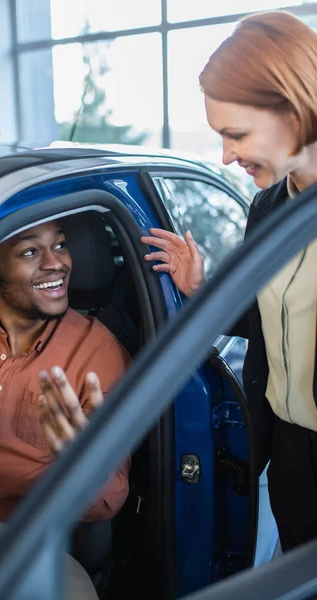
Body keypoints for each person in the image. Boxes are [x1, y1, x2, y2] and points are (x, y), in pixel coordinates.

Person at [142, 11, 317, 554]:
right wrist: (202, 287)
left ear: (295, 110)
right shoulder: (267, 207)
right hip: (291, 452)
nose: (225, 156)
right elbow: (270, 321)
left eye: (235, 135)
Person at [0, 218, 130, 599]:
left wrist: (80, 463)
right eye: (31, 252)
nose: (56, 263)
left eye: (60, 246)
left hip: (26, 543)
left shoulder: (99, 352)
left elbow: (111, 498)